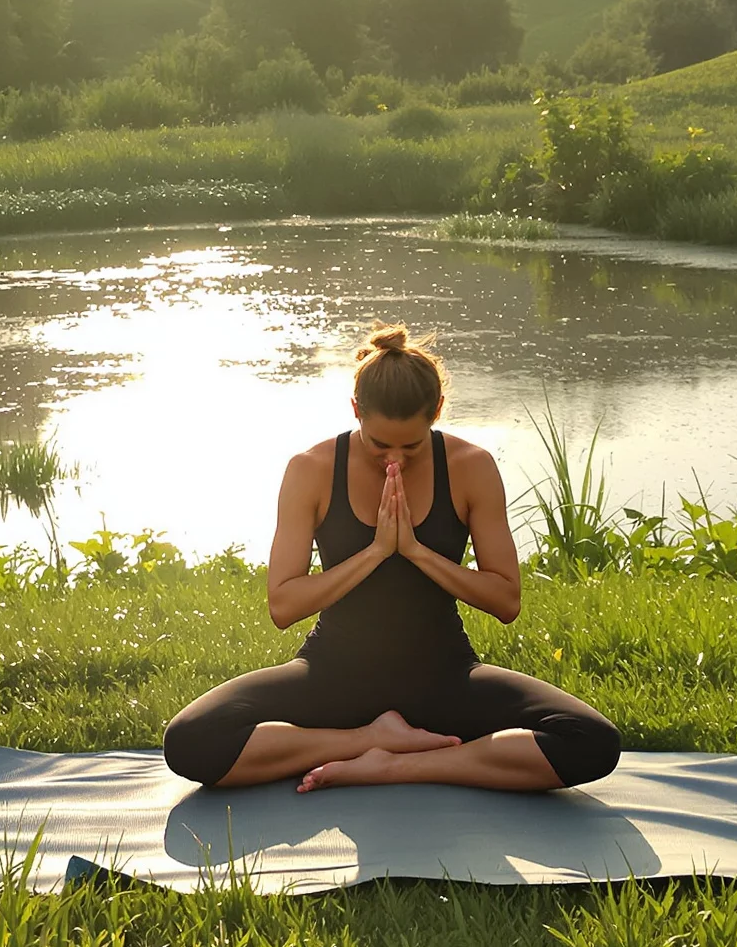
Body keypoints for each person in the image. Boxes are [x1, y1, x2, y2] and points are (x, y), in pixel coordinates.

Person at [163, 325, 622, 794]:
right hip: (332, 676)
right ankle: (370, 739)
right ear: (356, 410)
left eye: (412, 446)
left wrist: (417, 552)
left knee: (592, 742)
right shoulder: (312, 470)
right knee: (190, 742)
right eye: (380, 444)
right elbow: (283, 606)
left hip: (445, 677)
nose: (394, 461)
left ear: (437, 412)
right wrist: (377, 551)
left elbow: (506, 600)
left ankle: (395, 764)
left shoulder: (471, 467)